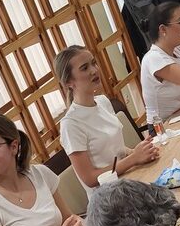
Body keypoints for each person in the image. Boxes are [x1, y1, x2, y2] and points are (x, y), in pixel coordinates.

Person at [54, 47, 159, 198]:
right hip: (108, 198)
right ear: (69, 82)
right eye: (84, 68)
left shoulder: (103, 101)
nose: (94, 70)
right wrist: (134, 159)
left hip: (129, 179)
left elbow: (112, 148)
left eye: (93, 63)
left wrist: (138, 151)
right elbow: (90, 178)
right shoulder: (71, 124)